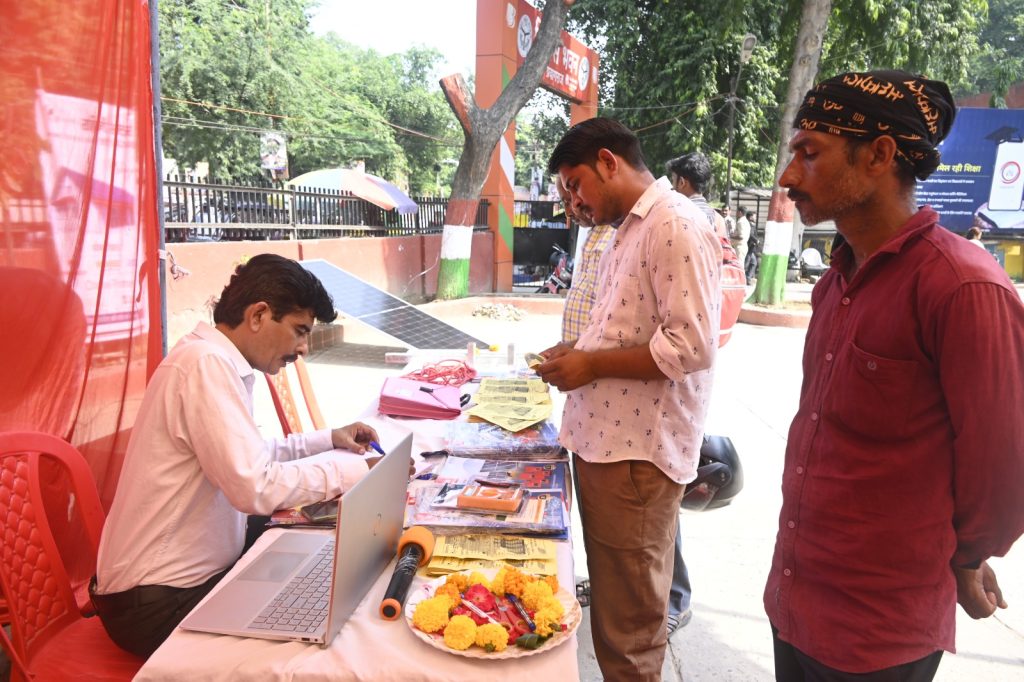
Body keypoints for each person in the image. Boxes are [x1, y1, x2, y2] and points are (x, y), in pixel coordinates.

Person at [765, 70, 1024, 680]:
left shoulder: (962, 286)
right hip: (794, 603)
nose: (788, 175)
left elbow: (1005, 469)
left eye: (810, 152)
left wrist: (966, 555)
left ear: (880, 155)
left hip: (876, 636)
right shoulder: (834, 282)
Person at [92, 254, 384, 657]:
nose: (302, 348)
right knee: (321, 637)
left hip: (173, 585)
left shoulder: (213, 359)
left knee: (321, 573)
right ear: (260, 315)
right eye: (300, 331)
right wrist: (354, 470)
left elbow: (252, 458)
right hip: (153, 604)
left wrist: (328, 439)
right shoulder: (204, 365)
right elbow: (254, 487)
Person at [537, 118, 721, 680]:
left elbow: (688, 345)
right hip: (605, 447)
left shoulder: (675, 225)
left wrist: (590, 363)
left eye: (576, 184)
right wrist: (580, 348)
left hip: (635, 458)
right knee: (617, 612)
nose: (573, 201)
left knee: (630, 633)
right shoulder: (629, 229)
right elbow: (630, 327)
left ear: (609, 162)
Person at [667, 152, 728, 239]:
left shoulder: (677, 216)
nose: (672, 187)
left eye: (673, 179)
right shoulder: (718, 220)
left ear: (682, 182)